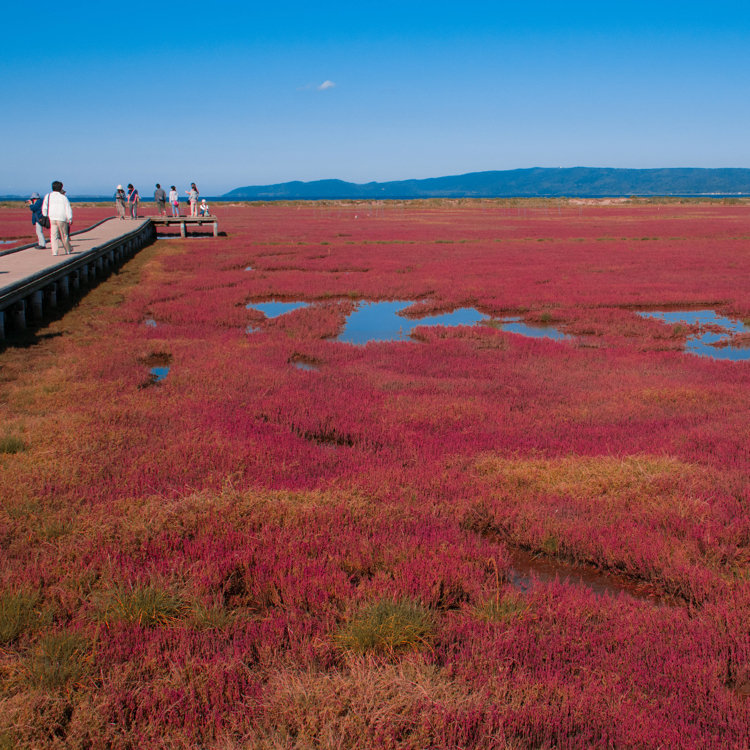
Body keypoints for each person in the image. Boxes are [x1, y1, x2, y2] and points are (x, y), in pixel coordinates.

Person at [42, 181, 73, 256]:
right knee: (64, 235)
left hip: (52, 217)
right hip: (62, 218)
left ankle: (55, 252)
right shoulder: (63, 197)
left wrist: (45, 215)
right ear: (61, 188)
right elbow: (68, 208)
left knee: (53, 236)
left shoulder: (48, 196)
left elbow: (44, 207)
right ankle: (68, 250)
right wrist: (70, 218)